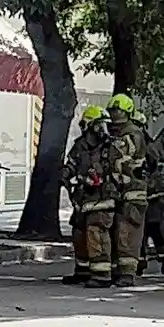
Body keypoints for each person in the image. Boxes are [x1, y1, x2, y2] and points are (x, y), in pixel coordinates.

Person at [60, 106, 112, 286]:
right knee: (79, 233)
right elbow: (72, 163)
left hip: (102, 198)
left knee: (96, 233)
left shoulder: (109, 147)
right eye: (100, 125)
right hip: (82, 199)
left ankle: (102, 275)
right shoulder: (80, 145)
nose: (103, 130)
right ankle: (82, 270)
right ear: (90, 126)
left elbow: (115, 170)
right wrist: (65, 174)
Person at [106, 93, 149, 287]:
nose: (114, 115)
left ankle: (128, 273)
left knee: (127, 233)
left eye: (118, 111)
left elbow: (122, 162)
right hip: (119, 191)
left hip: (132, 191)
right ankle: (117, 271)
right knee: (116, 232)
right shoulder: (115, 134)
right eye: (113, 111)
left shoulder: (131, 134)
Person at [133, 110, 164, 276]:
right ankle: (140, 263)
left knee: (157, 230)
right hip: (140, 195)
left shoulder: (149, 146)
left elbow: (154, 164)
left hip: (154, 196)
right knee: (139, 232)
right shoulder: (135, 144)